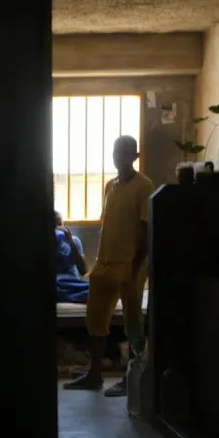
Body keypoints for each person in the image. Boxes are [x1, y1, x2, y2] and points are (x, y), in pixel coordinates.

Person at [65, 135, 152, 396]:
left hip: (130, 264)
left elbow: (146, 229)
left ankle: (132, 377)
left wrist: (137, 265)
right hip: (104, 264)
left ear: (135, 156)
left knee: (133, 322)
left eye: (125, 151)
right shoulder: (110, 186)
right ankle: (94, 374)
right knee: (95, 319)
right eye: (116, 151)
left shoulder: (144, 186)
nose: (119, 156)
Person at [55, 210, 90, 303]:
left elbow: (84, 271)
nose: (57, 229)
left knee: (96, 289)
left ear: (64, 226)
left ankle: (64, 296)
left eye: (59, 225)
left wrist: (71, 242)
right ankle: (70, 296)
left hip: (72, 282)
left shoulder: (74, 241)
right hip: (56, 282)